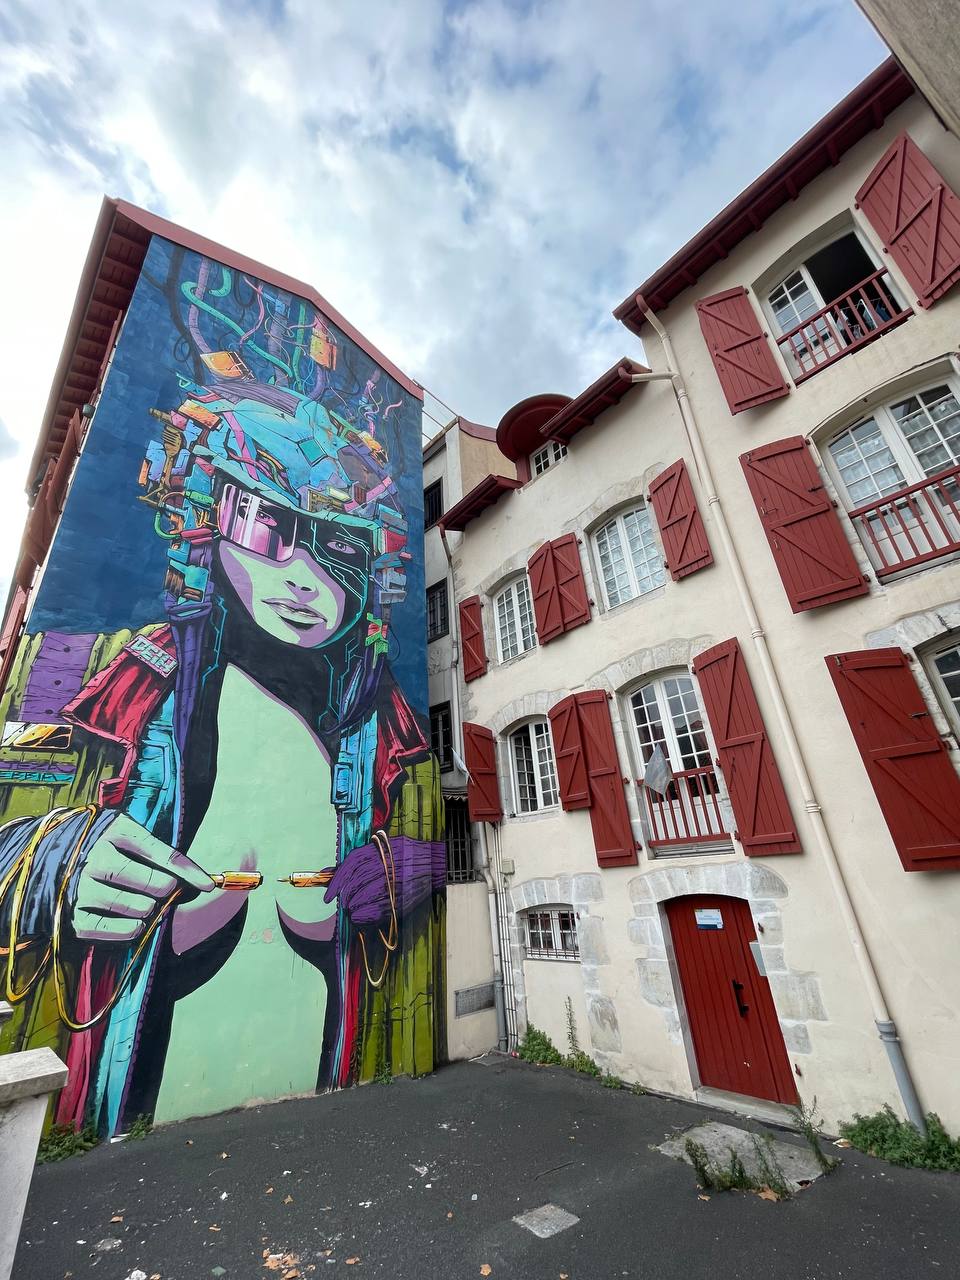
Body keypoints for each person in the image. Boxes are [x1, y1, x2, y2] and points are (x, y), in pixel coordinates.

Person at [0, 259, 445, 1136]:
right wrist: (56, 861)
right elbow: (13, 801)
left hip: (329, 1088)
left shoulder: (390, 727)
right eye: (267, 528)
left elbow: (445, 845)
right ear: (208, 519)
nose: (303, 577)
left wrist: (412, 869)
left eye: (338, 548)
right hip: (114, 1092)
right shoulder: (81, 670)